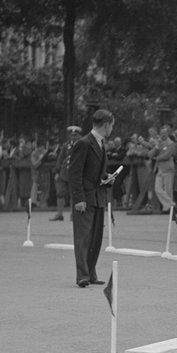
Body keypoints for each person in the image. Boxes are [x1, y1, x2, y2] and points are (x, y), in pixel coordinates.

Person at [68, 109, 115, 288]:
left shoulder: (100, 142)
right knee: (83, 237)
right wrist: (78, 198)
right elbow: (75, 172)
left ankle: (91, 272)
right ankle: (82, 275)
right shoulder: (84, 143)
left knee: (96, 237)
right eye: (111, 125)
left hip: (97, 196)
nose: (112, 129)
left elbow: (95, 173)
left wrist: (107, 179)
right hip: (85, 198)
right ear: (106, 125)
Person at [50, 125, 81, 220]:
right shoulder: (65, 146)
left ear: (78, 136)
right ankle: (59, 214)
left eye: (75, 135)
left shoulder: (81, 145)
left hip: (75, 173)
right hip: (64, 173)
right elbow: (60, 159)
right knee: (60, 193)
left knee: (74, 194)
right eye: (72, 135)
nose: (73, 137)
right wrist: (57, 171)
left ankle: (74, 215)